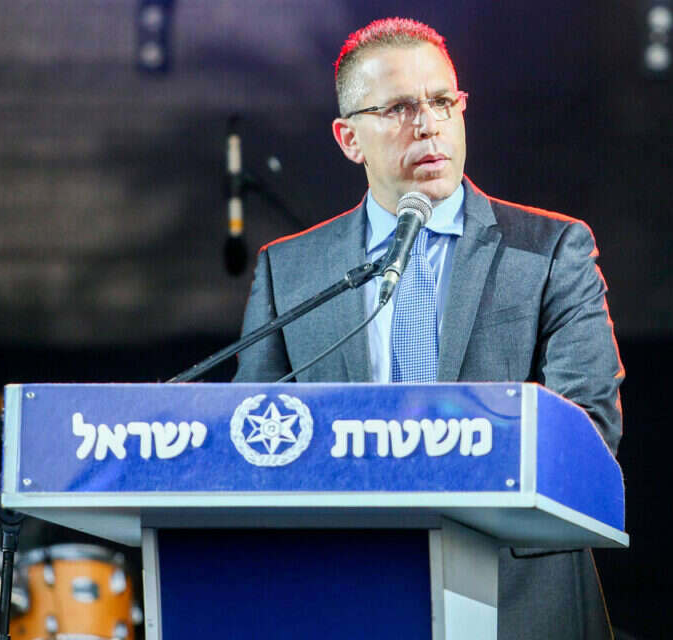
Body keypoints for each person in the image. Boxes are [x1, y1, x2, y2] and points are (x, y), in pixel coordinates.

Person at [233, 17, 624, 640]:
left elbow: (587, 429)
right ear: (349, 138)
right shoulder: (293, 270)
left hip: (517, 599)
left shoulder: (549, 251)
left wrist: (430, 461)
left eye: (443, 101)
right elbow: (252, 436)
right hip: (349, 596)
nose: (428, 124)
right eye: (399, 108)